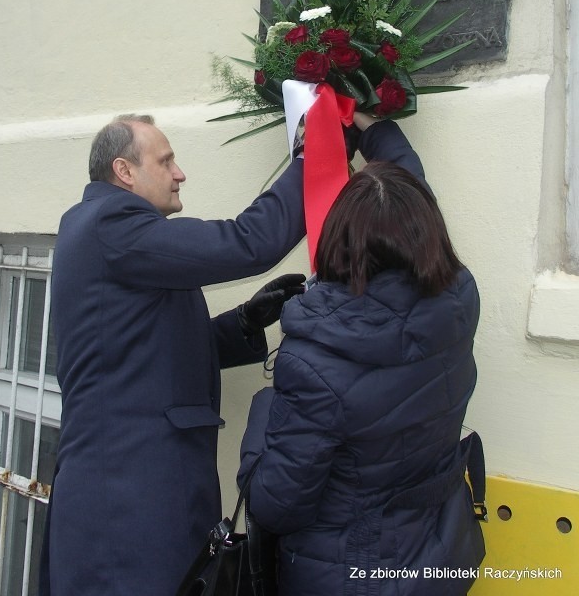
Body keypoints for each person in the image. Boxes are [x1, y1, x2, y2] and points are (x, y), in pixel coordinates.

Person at [39, 113, 306, 596]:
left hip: (140, 492)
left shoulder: (112, 233)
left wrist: (244, 321)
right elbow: (249, 242)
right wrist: (310, 159)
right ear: (124, 172)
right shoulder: (112, 224)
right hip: (126, 505)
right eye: (166, 161)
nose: (179, 172)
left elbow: (145, 347)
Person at [238, 113, 485, 595]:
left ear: (338, 240)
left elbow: (274, 505)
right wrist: (376, 129)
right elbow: (415, 199)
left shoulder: (316, 364)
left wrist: (265, 408)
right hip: (437, 558)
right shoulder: (458, 302)